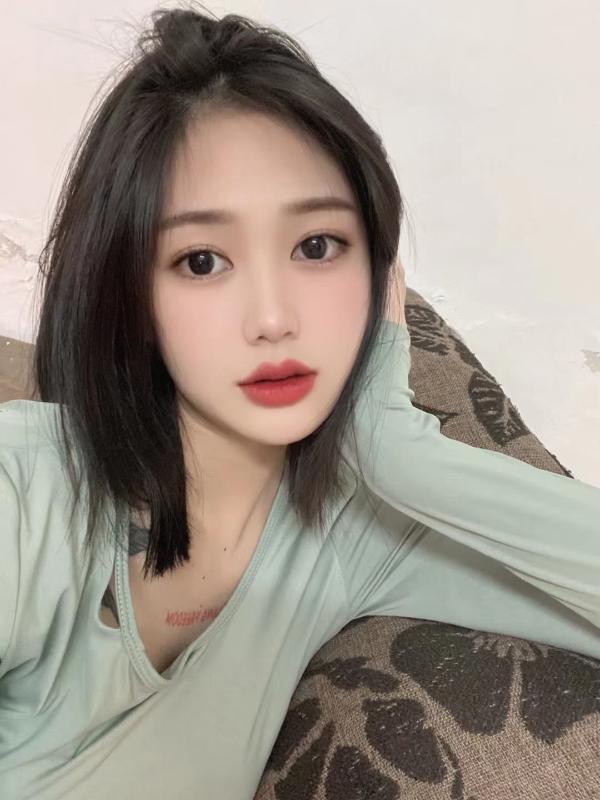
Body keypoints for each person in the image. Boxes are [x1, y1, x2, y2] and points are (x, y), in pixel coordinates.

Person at [1, 5, 598, 798]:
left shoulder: (361, 534)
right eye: (203, 260)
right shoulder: (25, 492)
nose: (274, 318)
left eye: (318, 246)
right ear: (129, 293)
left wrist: (397, 451)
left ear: (379, 277)